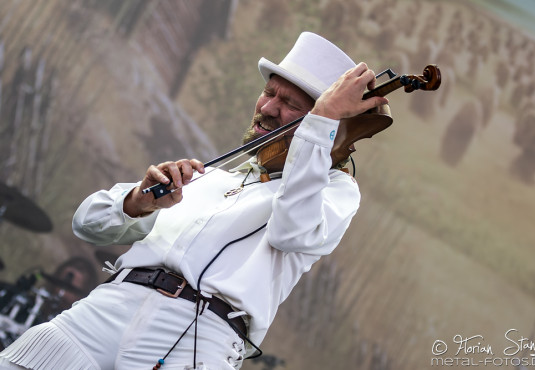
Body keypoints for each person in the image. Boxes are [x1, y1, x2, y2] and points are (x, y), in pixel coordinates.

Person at [0, 32, 388, 370]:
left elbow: (291, 232)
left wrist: (322, 123)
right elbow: (86, 223)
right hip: (111, 304)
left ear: (324, 126)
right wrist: (138, 201)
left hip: (199, 333)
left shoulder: (335, 190)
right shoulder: (209, 178)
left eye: (290, 105)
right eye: (269, 92)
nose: (268, 108)